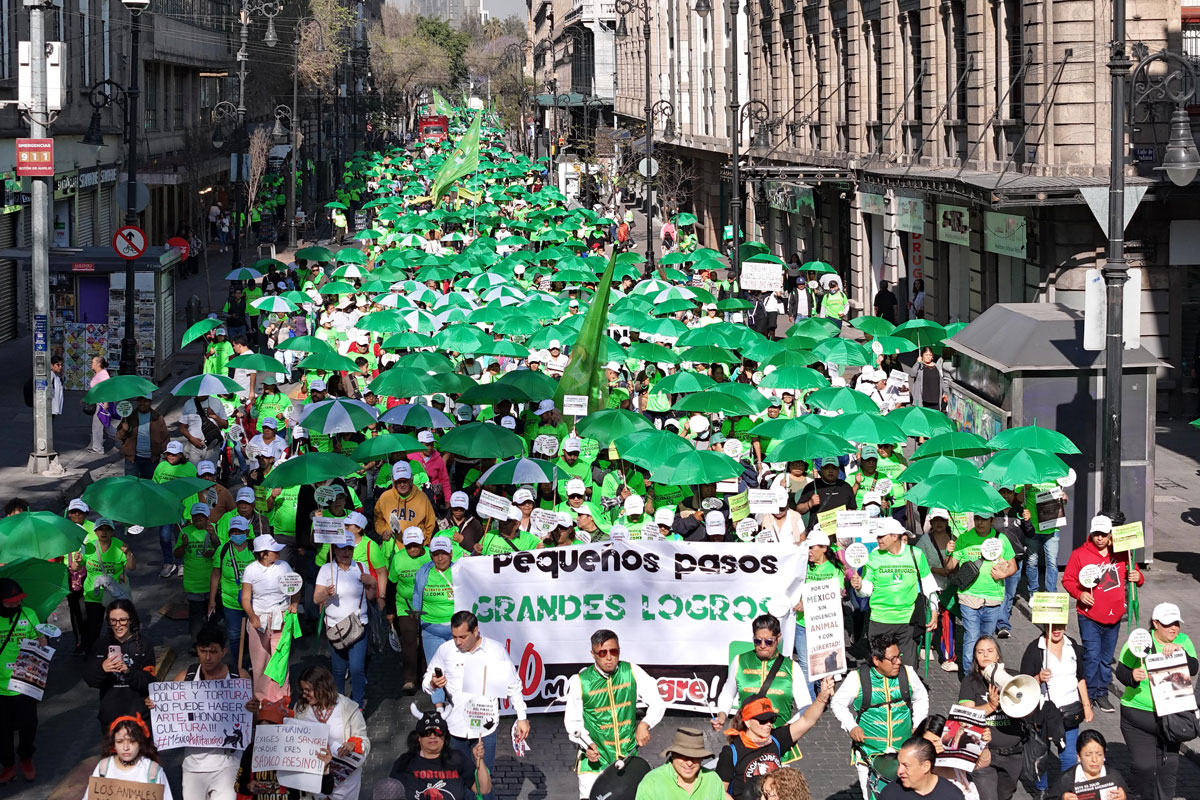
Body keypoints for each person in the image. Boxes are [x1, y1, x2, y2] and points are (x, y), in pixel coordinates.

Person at [423, 611, 528, 800]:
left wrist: (522, 717)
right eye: (455, 637)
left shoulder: (495, 651)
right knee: (459, 781)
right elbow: (427, 680)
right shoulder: (446, 650)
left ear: (476, 631)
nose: (458, 642)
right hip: (455, 729)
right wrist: (432, 683)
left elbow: (513, 685)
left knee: (484, 781)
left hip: (484, 729)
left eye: (463, 637)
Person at [144, 625, 247, 799]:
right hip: (193, 765)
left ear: (223, 651)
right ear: (197, 651)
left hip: (229, 765)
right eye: (203, 651)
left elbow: (250, 722)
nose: (207, 657)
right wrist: (158, 706)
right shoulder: (185, 678)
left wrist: (253, 709)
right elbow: (170, 715)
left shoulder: (240, 678)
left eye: (213, 652)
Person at [565, 629, 666, 799]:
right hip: (594, 762)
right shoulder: (580, 681)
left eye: (614, 651)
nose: (609, 657)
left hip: (627, 759)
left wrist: (645, 723)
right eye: (603, 653)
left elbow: (658, 701)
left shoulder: (631, 671)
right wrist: (586, 745)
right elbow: (573, 723)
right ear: (593, 654)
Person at [1114, 602, 1198, 800]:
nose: (1174, 628)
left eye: (1176, 623)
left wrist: (1180, 652)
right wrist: (1133, 675)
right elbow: (1121, 672)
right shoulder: (1141, 641)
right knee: (1145, 767)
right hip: (1138, 716)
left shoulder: (1183, 641)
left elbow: (1193, 668)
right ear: (1155, 623)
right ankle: (1131, 794)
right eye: (1168, 623)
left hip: (1171, 718)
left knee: (1168, 770)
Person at [831, 634, 930, 800]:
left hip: (904, 752)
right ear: (877, 660)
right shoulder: (857, 678)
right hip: (869, 752)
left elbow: (921, 698)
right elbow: (837, 703)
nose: (898, 662)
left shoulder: (909, 674)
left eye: (899, 656)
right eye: (892, 659)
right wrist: (851, 726)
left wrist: (918, 724)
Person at [1062, 514, 1143, 713]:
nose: (1099, 538)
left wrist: (1137, 576)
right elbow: (1068, 580)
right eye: (1096, 534)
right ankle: (1088, 694)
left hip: (1114, 617)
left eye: (1104, 534)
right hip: (1089, 616)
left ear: (1110, 535)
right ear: (1091, 533)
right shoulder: (1079, 554)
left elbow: (1137, 577)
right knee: (1092, 656)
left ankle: (1102, 692)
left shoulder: (1123, 553)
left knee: (1106, 658)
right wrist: (1080, 594)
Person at [715, 685, 833, 800]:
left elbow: (807, 720)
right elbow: (720, 791)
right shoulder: (731, 752)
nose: (768, 724)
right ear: (747, 722)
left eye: (771, 719)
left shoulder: (776, 739)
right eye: (762, 720)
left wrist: (822, 698)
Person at [850, 518, 939, 667]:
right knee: (879, 666)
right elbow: (867, 590)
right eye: (877, 536)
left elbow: (929, 584)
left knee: (908, 667)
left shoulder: (915, 554)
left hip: (907, 621)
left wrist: (934, 610)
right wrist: (859, 587)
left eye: (881, 536)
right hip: (880, 620)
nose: (878, 539)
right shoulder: (873, 557)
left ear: (895, 536)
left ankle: (906, 690)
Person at [1019, 622, 1092, 795]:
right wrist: (1038, 678)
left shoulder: (1072, 645)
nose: (1057, 630)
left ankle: (1066, 792)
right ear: (1045, 626)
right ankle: (1042, 790)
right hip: (1043, 712)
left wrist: (1086, 705)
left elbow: (1080, 678)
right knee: (1041, 754)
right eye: (1052, 626)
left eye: (1060, 626)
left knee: (1068, 757)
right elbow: (1023, 683)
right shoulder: (1035, 649)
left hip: (1069, 711)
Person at [715, 615, 813, 740]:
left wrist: (787, 730)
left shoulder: (792, 667)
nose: (762, 646)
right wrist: (722, 715)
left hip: (778, 742)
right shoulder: (739, 661)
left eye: (768, 641)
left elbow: (806, 706)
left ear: (778, 638)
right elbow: (728, 693)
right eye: (757, 641)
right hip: (745, 740)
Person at [944, 511, 1017, 674]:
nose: (979, 523)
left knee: (987, 641)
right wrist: (949, 551)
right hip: (969, 596)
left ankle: (985, 676)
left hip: (993, 598)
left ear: (991, 520)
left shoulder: (1001, 539)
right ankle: (969, 679)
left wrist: (1004, 574)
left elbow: (1013, 566)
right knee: (971, 637)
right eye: (977, 519)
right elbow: (949, 568)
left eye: (984, 519)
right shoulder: (964, 538)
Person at [957, 636, 1024, 800]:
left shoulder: (1014, 677)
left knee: (1005, 795)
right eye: (980, 652)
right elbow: (965, 717)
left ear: (998, 656)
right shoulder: (970, 682)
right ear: (975, 657)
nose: (985, 655)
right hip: (983, 753)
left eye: (990, 651)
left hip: (1013, 755)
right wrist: (991, 706)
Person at [314, 539, 378, 708]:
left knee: (357, 668)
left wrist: (372, 583)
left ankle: (358, 705)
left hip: (359, 625)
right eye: (342, 548)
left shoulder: (361, 567)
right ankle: (339, 705)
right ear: (334, 550)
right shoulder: (326, 569)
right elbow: (316, 599)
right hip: (336, 628)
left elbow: (371, 597)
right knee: (339, 670)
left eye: (349, 548)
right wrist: (327, 593)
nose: (346, 552)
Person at [294, 664, 370, 800]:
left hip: (345, 783)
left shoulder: (348, 707)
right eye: (302, 690)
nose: (304, 694)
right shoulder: (300, 709)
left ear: (322, 688)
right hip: (316, 780)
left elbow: (364, 741)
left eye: (308, 690)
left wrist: (353, 744)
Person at [240, 534, 299, 703]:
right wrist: (252, 616)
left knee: (280, 659)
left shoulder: (285, 566)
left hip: (281, 616)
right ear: (263, 554)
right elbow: (245, 598)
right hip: (259, 618)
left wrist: (294, 603)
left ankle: (281, 699)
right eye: (274, 551)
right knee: (259, 663)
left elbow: (295, 588)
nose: (278, 554)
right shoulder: (251, 570)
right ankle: (261, 700)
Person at [84, 599, 157, 733]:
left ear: (130, 620)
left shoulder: (143, 644)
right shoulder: (101, 645)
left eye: (122, 620)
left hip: (138, 716)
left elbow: (150, 681)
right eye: (113, 621)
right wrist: (102, 669)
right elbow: (90, 679)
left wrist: (129, 672)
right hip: (110, 717)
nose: (118, 625)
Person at [387, 707, 490, 800]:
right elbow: (390, 793)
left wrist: (479, 760)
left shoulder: (457, 758)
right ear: (418, 737)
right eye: (426, 733)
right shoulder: (405, 762)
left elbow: (483, 789)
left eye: (438, 732)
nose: (432, 736)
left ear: (444, 737)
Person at [0, 579, 44, 783]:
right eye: (10, 601)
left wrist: (43, 640)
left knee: (28, 726)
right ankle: (8, 765)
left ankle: (26, 757)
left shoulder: (29, 614)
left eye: (18, 601)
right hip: (1, 689)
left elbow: (40, 639)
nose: (15, 605)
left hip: (24, 683)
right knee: (3, 731)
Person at [81, 716, 174, 800]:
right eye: (120, 741)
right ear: (113, 744)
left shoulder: (152, 772)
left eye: (132, 741)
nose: (126, 747)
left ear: (140, 743)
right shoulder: (103, 768)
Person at [208, 515, 255, 669]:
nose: (237, 535)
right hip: (230, 602)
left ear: (247, 532)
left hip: (254, 602)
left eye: (240, 531)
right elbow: (215, 574)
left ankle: (255, 663)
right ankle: (239, 665)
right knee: (234, 636)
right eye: (233, 532)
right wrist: (212, 600)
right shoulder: (223, 550)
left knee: (255, 635)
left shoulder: (254, 550)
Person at [81, 519, 135, 651]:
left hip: (114, 596)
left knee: (117, 628)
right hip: (92, 595)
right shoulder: (88, 547)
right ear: (95, 532)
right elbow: (76, 567)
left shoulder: (120, 546)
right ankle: (91, 657)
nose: (104, 532)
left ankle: (120, 654)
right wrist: (77, 561)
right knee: (93, 630)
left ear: (112, 531)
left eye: (107, 529)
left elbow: (132, 567)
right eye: (100, 529)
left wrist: (128, 553)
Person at [635, 727, 724, 800]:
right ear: (673, 755)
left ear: (701, 758)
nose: (689, 763)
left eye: (695, 757)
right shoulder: (651, 782)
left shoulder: (713, 780)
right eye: (684, 756)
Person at [412, 536, 458, 661]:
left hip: (457, 631)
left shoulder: (459, 571)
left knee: (456, 670)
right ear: (431, 555)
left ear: (451, 553)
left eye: (444, 553)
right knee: (436, 670)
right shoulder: (423, 572)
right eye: (436, 554)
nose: (440, 558)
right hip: (430, 629)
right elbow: (417, 596)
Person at [880, 736, 965, 800]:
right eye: (899, 764)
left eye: (906, 766)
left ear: (926, 766)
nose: (899, 771)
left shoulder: (952, 796)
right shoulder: (890, 794)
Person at [1056, 730, 1129, 800]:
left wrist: (1125, 797)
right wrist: (1062, 798)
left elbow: (1132, 796)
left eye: (1099, 754)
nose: (1094, 760)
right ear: (1078, 756)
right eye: (1088, 755)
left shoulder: (1114, 776)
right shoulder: (1066, 779)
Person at [374, 462, 436, 544]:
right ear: (393, 480)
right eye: (399, 481)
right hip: (392, 547)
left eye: (405, 481)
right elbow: (378, 518)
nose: (402, 484)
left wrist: (425, 543)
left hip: (416, 548)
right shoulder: (385, 497)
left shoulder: (422, 497)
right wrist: (382, 531)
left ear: (411, 479)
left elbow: (430, 523)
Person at [115, 393, 169, 478]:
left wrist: (167, 456)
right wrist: (123, 430)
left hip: (152, 460)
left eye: (145, 401)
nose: (142, 404)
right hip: (132, 459)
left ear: (150, 402)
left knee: (149, 487)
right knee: (131, 485)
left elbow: (165, 438)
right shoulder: (130, 416)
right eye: (140, 400)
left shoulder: (158, 417)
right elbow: (119, 436)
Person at [87, 356, 113, 453]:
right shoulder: (99, 374)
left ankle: (98, 448)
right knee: (102, 424)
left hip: (101, 403)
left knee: (99, 425)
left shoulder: (103, 374)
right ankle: (97, 445)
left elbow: (106, 389)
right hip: (98, 401)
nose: (91, 364)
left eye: (93, 362)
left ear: (98, 364)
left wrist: (105, 402)